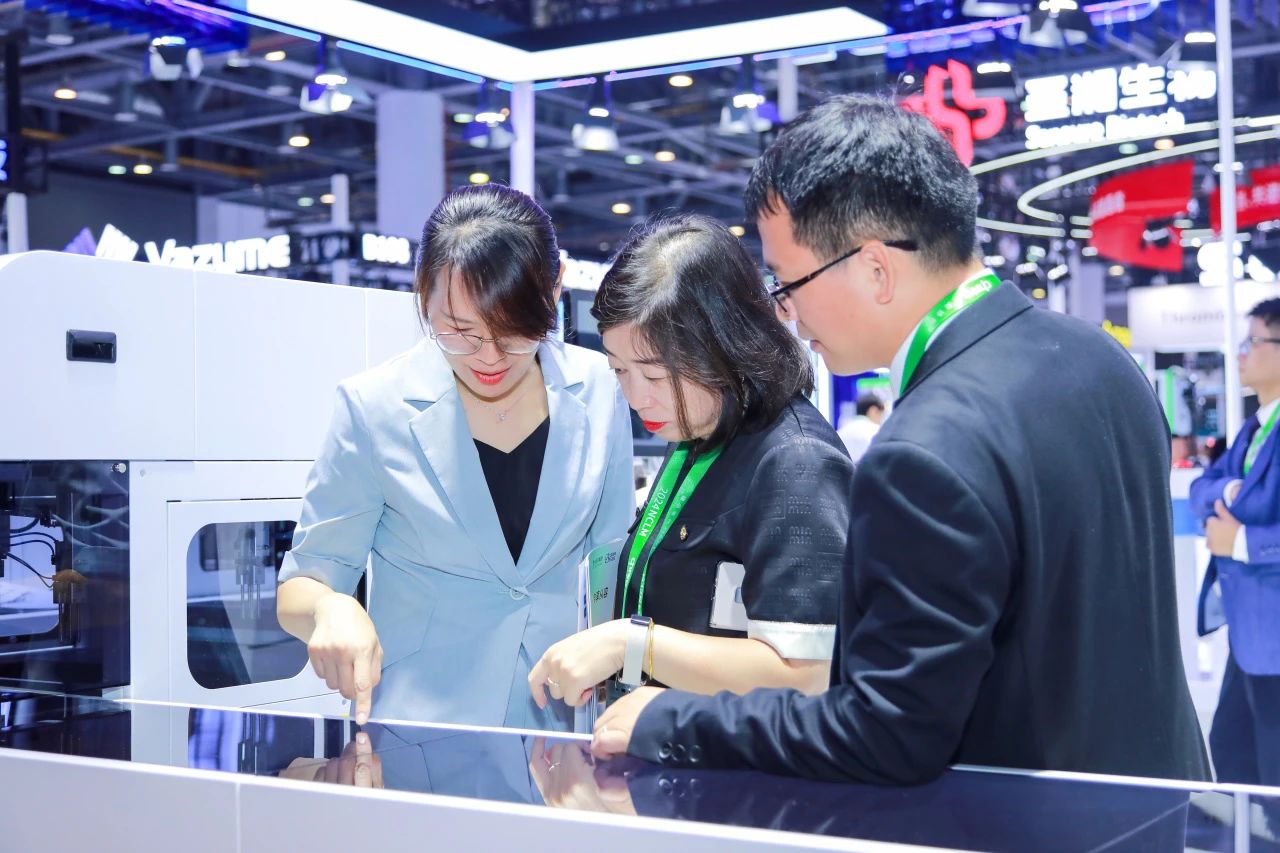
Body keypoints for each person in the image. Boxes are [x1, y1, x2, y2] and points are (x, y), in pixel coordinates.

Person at [591, 94, 1209, 784]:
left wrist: (671, 720)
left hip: (1017, 816)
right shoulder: (1102, 359)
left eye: (788, 281)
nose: (785, 311)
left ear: (875, 268)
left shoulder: (924, 447)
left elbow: (887, 732)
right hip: (1153, 796)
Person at [276, 184, 634, 730]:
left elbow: (612, 564)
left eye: (515, 332)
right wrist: (331, 607)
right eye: (460, 331)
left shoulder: (602, 387)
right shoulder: (374, 407)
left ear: (555, 286)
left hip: (564, 721)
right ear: (422, 294)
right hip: (424, 727)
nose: (489, 358)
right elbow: (302, 585)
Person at [527, 214, 854, 711]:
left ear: (723, 346)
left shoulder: (797, 463)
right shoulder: (697, 431)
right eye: (619, 370)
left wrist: (633, 644)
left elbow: (807, 675)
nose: (636, 398)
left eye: (656, 376)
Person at [1191, 298, 1280, 791]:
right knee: (1231, 750)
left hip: (1271, 633)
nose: (1241, 353)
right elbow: (1203, 488)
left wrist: (1242, 541)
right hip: (1250, 633)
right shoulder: (1254, 427)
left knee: (1269, 769)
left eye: (1253, 341)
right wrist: (1226, 492)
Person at [837, 393, 884, 463]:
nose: (881, 419)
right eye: (881, 414)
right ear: (873, 411)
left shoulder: (840, 433)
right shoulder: (877, 432)